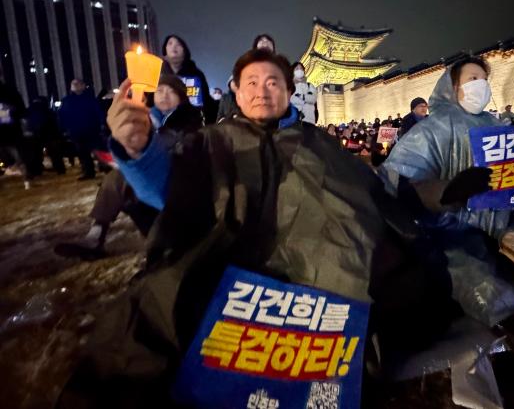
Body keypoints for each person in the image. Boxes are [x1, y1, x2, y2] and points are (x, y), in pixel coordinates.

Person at [58, 49, 455, 406]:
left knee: (394, 290)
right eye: (251, 82)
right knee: (155, 314)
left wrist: (447, 191)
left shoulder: (320, 143)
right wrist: (136, 150)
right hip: (222, 266)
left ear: (289, 91)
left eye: (272, 82)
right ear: (236, 90)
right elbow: (168, 187)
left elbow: (381, 188)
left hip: (319, 269)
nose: (262, 90)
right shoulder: (212, 140)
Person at [379, 57, 514, 327]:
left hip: (502, 226)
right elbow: (398, 180)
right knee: (492, 294)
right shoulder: (433, 129)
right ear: (453, 87)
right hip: (450, 234)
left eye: (484, 80)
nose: (482, 86)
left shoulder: (497, 126)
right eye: (473, 79)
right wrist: (448, 191)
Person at [55, 75, 202, 260]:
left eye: (171, 91)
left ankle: (160, 242)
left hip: (174, 185)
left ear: (181, 96)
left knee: (119, 178)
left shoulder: (190, 120)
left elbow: (185, 151)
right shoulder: (141, 116)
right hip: (144, 186)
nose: (164, 95)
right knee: (117, 177)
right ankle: (96, 233)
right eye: (160, 90)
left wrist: (148, 147)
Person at [161, 34, 216, 124]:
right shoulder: (159, 75)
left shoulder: (196, 74)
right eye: (170, 43)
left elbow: (206, 101)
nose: (174, 46)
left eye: (178, 44)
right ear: (165, 52)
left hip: (193, 124)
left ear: (185, 51)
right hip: (164, 125)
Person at [58, 79, 104, 180]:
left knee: (97, 150)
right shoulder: (67, 100)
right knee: (83, 153)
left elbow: (98, 113)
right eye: (74, 84)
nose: (76, 86)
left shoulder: (90, 99)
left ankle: (105, 169)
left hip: (91, 129)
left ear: (83, 85)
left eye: (78, 84)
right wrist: (64, 129)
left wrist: (101, 124)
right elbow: (62, 116)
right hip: (76, 131)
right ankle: (88, 172)